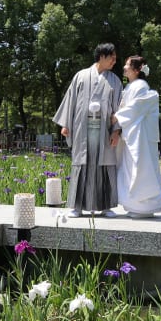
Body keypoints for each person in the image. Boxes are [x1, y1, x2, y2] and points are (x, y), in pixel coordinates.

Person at [53, 43, 123, 217]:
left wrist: (116, 131)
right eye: (112, 57)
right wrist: (65, 124)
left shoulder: (114, 80)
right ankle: (77, 207)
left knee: (105, 165)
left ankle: (106, 206)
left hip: (104, 130)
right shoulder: (81, 76)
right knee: (81, 164)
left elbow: (120, 108)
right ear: (102, 56)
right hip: (82, 129)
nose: (115, 61)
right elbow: (71, 100)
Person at [111, 56, 161, 218]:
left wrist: (116, 117)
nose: (124, 67)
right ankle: (134, 205)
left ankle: (145, 207)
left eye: (127, 65)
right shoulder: (131, 86)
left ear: (137, 69)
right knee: (131, 169)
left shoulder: (141, 86)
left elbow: (137, 108)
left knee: (142, 169)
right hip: (133, 135)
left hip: (141, 136)